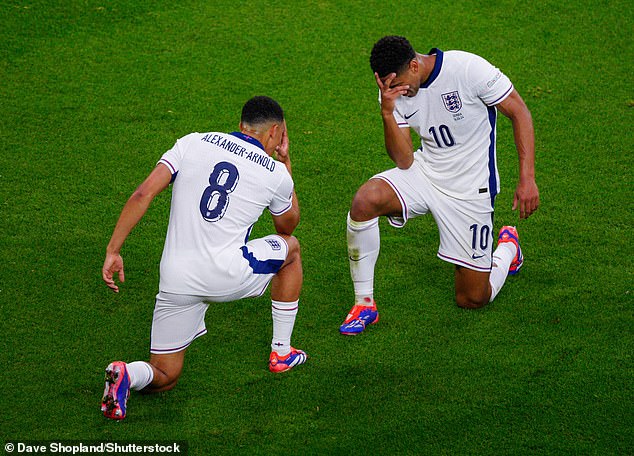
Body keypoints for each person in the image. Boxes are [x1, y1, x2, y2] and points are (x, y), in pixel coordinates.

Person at [101, 96, 307, 420]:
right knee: (291, 249)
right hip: (227, 274)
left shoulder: (191, 142)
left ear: (241, 126)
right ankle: (281, 352)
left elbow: (143, 194)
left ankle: (127, 372)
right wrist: (286, 165)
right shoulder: (275, 172)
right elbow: (286, 224)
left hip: (176, 279)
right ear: (276, 132)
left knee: (164, 373)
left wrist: (113, 251)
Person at [340, 36, 540, 335]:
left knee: (472, 298)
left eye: (401, 84)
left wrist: (527, 178)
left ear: (414, 63)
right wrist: (387, 112)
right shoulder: (392, 92)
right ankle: (364, 303)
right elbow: (404, 160)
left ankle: (508, 248)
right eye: (390, 87)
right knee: (365, 201)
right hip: (426, 171)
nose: (400, 91)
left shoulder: (468, 69)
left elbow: (519, 112)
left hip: (471, 189)